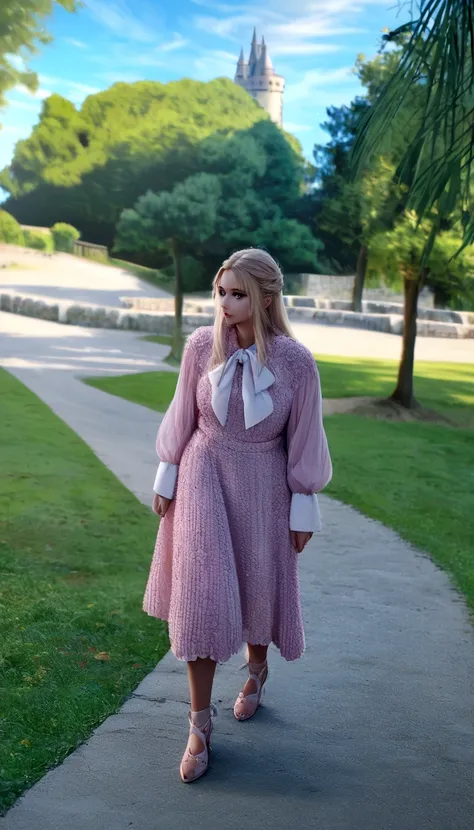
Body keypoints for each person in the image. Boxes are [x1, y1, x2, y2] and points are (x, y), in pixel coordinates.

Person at [143, 247, 332, 783]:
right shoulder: (202, 344)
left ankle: (255, 671)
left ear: (266, 297)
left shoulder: (296, 361)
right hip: (203, 477)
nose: (226, 304)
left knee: (256, 587)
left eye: (238, 294)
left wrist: (303, 508)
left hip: (264, 486)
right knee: (202, 599)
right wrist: (167, 473)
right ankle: (199, 726)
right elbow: (182, 410)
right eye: (221, 292)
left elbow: (306, 438)